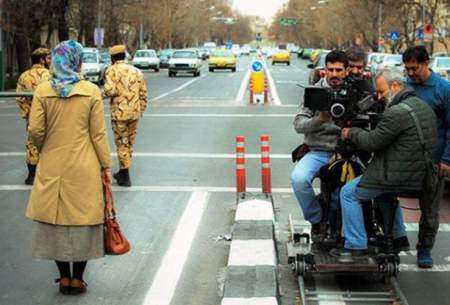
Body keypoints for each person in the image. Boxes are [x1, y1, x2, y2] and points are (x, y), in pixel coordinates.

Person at [26, 40, 113, 294]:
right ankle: (79, 278)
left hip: (53, 164)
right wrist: (106, 166)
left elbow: (35, 130)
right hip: (84, 166)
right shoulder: (90, 91)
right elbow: (98, 134)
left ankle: (63, 277)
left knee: (56, 222)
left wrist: (45, 148)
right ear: (77, 61)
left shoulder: (42, 91)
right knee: (83, 221)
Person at [337, 68, 437, 256]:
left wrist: (351, 133)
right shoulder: (423, 106)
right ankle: (399, 237)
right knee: (385, 195)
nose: (380, 97)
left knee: (348, 193)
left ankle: (356, 244)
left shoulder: (396, 112)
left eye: (382, 91)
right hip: (420, 174)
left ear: (396, 86)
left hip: (398, 176)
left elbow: (372, 142)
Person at [290, 50, 348, 239]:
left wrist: (343, 150)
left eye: (339, 70)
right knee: (298, 179)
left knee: (345, 192)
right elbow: (298, 125)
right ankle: (317, 220)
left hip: (347, 153)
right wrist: (320, 120)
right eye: (330, 69)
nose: (334, 74)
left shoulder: (353, 92)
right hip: (317, 151)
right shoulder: (313, 92)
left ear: (346, 71)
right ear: (324, 71)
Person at [403, 45, 450, 268]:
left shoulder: (443, 89)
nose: (410, 73)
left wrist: (447, 160)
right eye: (407, 69)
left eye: (414, 68)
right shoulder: (404, 86)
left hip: (434, 160)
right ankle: (393, 239)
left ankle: (424, 249)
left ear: (426, 64)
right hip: (404, 159)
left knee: (429, 209)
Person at [103, 44, 148, 187]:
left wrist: (96, 94)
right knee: (129, 143)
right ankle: (123, 171)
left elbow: (110, 90)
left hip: (119, 113)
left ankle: (125, 174)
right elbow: (143, 93)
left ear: (112, 57)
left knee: (121, 142)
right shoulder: (136, 71)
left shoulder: (111, 70)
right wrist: (140, 110)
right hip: (134, 113)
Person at [16, 47, 52, 184]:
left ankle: (31, 175)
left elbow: (19, 98)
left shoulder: (24, 76)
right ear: (42, 60)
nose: (50, 61)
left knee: (32, 143)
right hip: (50, 115)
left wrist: (28, 113)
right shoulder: (50, 75)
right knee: (51, 142)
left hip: (32, 116)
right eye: (48, 58)